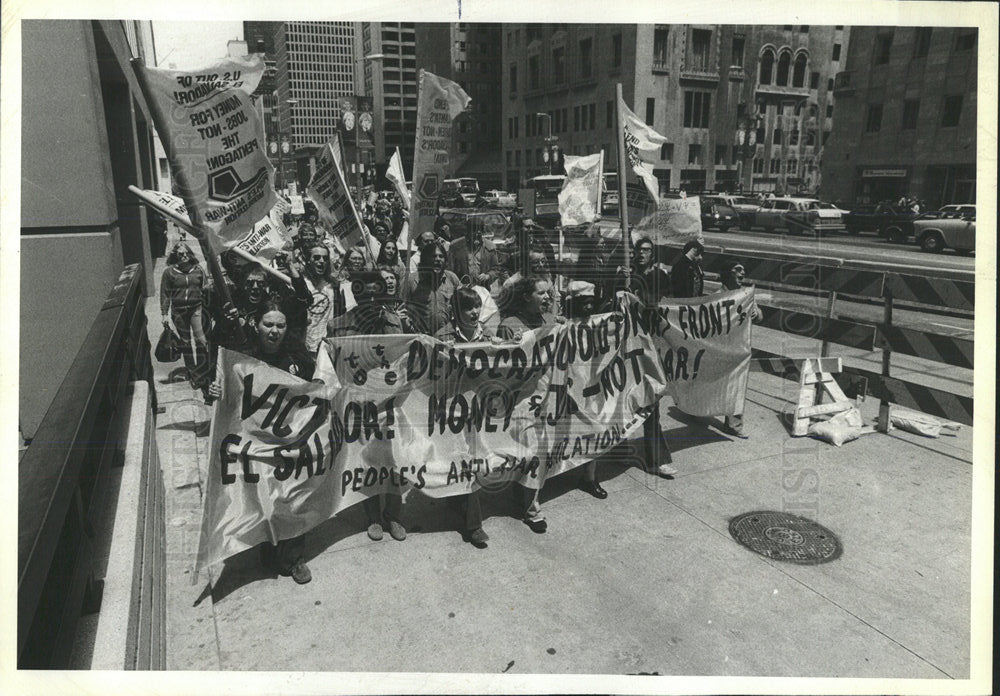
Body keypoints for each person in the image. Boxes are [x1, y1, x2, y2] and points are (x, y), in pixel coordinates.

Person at [209, 301, 315, 584]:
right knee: (266, 500)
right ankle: (270, 550)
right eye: (268, 324)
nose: (274, 331)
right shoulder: (242, 360)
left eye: (280, 325)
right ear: (256, 326)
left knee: (292, 498)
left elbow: (317, 389)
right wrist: (216, 389)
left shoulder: (298, 358)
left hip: (291, 442)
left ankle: (294, 559)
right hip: (256, 445)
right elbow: (228, 399)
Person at [327, 272, 409, 540]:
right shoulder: (337, 326)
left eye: (378, 293)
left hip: (391, 402)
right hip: (358, 404)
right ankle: (373, 515)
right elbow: (330, 366)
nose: (372, 300)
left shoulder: (396, 323)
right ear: (357, 294)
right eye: (366, 294)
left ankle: (393, 515)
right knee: (366, 460)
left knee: (395, 458)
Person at [434, 286, 498, 548]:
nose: (473, 313)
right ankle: (473, 525)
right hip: (453, 409)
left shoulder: (488, 335)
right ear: (456, 312)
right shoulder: (443, 336)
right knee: (464, 460)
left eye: (476, 307)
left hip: (481, 409)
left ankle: (456, 499)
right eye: (467, 308)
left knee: (472, 460)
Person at [497, 275, 557, 533]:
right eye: (541, 293)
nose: (547, 298)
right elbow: (499, 366)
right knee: (530, 451)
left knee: (539, 451)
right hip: (520, 400)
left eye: (548, 293)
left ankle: (523, 495)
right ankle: (532, 510)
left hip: (546, 397)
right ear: (525, 297)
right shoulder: (509, 325)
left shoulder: (550, 322)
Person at [563, 280, 608, 499]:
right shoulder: (561, 326)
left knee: (594, 428)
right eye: (584, 303)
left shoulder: (599, 323)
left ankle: (589, 477)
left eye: (591, 303)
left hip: (590, 386)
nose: (589, 308)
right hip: (566, 387)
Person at [160, 243, 213, 400]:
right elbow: (165, 294)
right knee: (185, 343)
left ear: (190, 254)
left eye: (186, 253)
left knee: (201, 340)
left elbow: (206, 288)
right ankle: (194, 375)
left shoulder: (197, 270)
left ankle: (203, 372)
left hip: (196, 309)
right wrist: (164, 314)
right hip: (178, 312)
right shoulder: (169, 273)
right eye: (180, 253)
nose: (184, 256)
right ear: (175, 255)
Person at [718, 260, 761, 437]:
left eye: (744, 270)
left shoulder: (746, 294)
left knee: (737, 385)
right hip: (719, 348)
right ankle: (694, 410)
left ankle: (734, 424)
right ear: (728, 272)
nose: (742, 273)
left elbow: (760, 316)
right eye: (737, 269)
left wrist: (755, 313)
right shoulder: (717, 295)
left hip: (739, 347)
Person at [400, 241, 462, 336]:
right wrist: (410, 329)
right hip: (420, 338)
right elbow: (401, 311)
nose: (437, 259)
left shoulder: (452, 279)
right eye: (433, 256)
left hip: (446, 337)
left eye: (441, 256)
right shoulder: (410, 281)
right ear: (425, 259)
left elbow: (463, 306)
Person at [449, 218, 501, 288]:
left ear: (482, 232)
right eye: (473, 232)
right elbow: (449, 271)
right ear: (467, 232)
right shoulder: (456, 246)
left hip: (483, 289)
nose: (476, 236)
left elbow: (496, 269)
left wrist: (487, 276)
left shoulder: (490, 247)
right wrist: (457, 285)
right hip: (462, 290)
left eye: (479, 234)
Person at [629, 236, 671, 305]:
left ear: (652, 254)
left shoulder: (661, 276)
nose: (641, 252)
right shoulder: (630, 275)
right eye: (638, 249)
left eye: (645, 250)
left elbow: (667, 298)